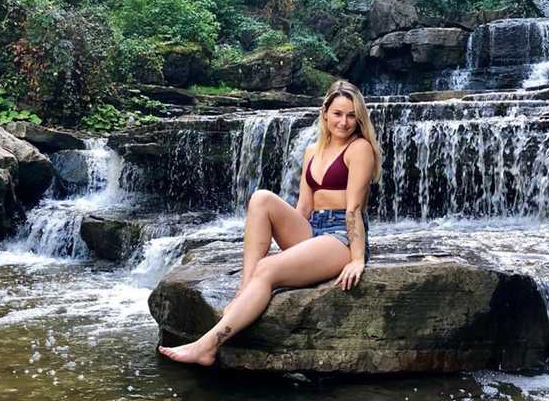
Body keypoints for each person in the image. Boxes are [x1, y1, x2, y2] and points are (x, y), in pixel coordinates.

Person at [159, 80, 382, 366]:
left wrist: (358, 258)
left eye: (352, 115)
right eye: (338, 113)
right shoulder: (312, 151)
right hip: (315, 230)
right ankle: (245, 292)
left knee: (269, 268)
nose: (344, 122)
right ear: (325, 113)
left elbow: (353, 209)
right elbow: (304, 206)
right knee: (261, 199)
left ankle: (207, 345)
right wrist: (297, 250)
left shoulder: (359, 148)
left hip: (342, 237)